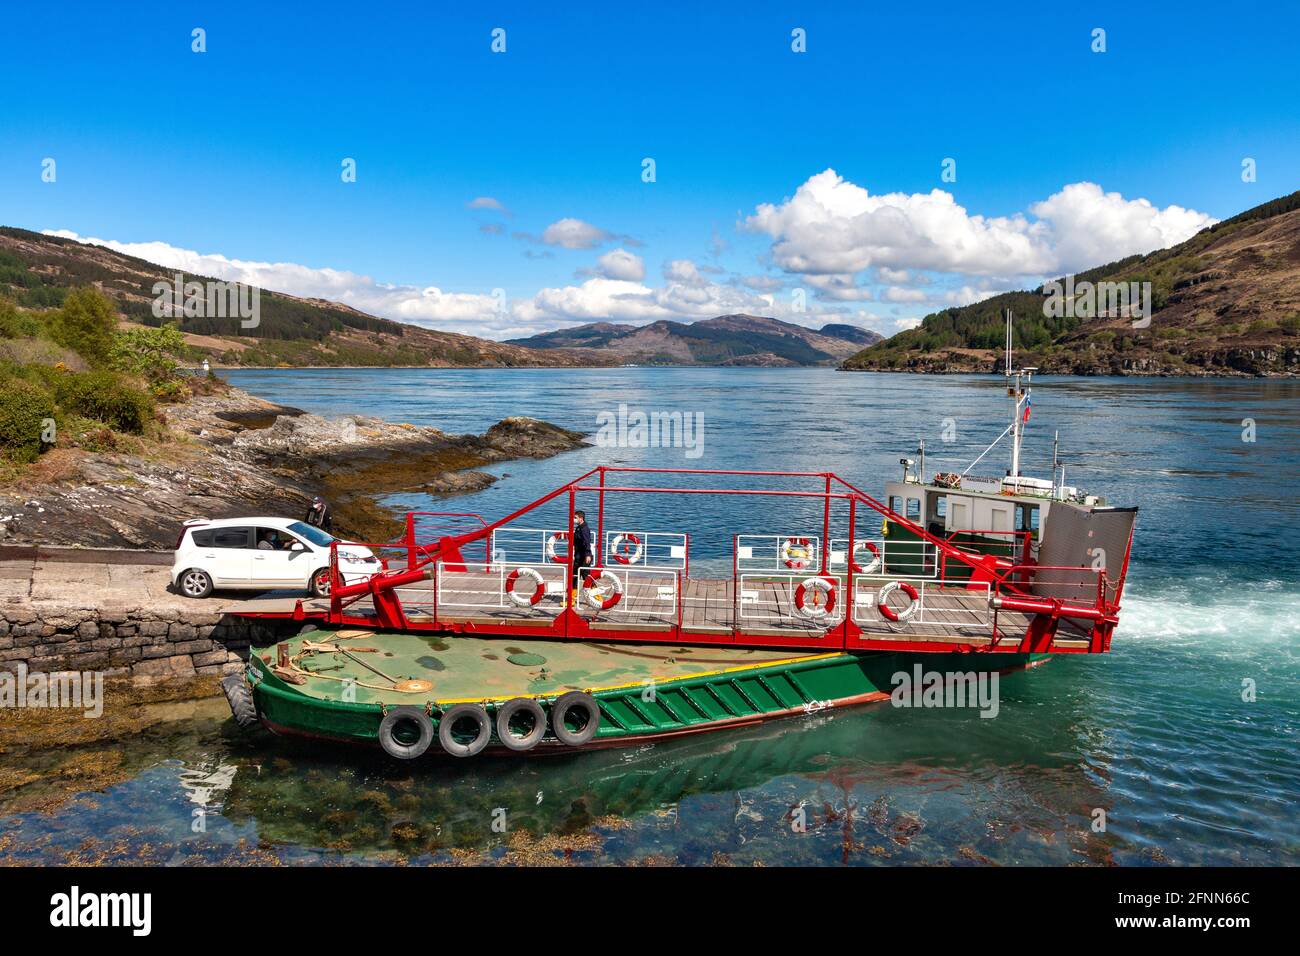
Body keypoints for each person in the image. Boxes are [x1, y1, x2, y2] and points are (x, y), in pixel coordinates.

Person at [571, 510, 594, 603]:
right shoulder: (579, 528)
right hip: (578, 556)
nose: (574, 519)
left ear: (581, 518)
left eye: (575, 518)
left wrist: (588, 554)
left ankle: (596, 596)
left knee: (586, 576)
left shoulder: (584, 529)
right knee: (575, 576)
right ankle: (572, 598)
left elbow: (587, 542)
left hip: (584, 556)